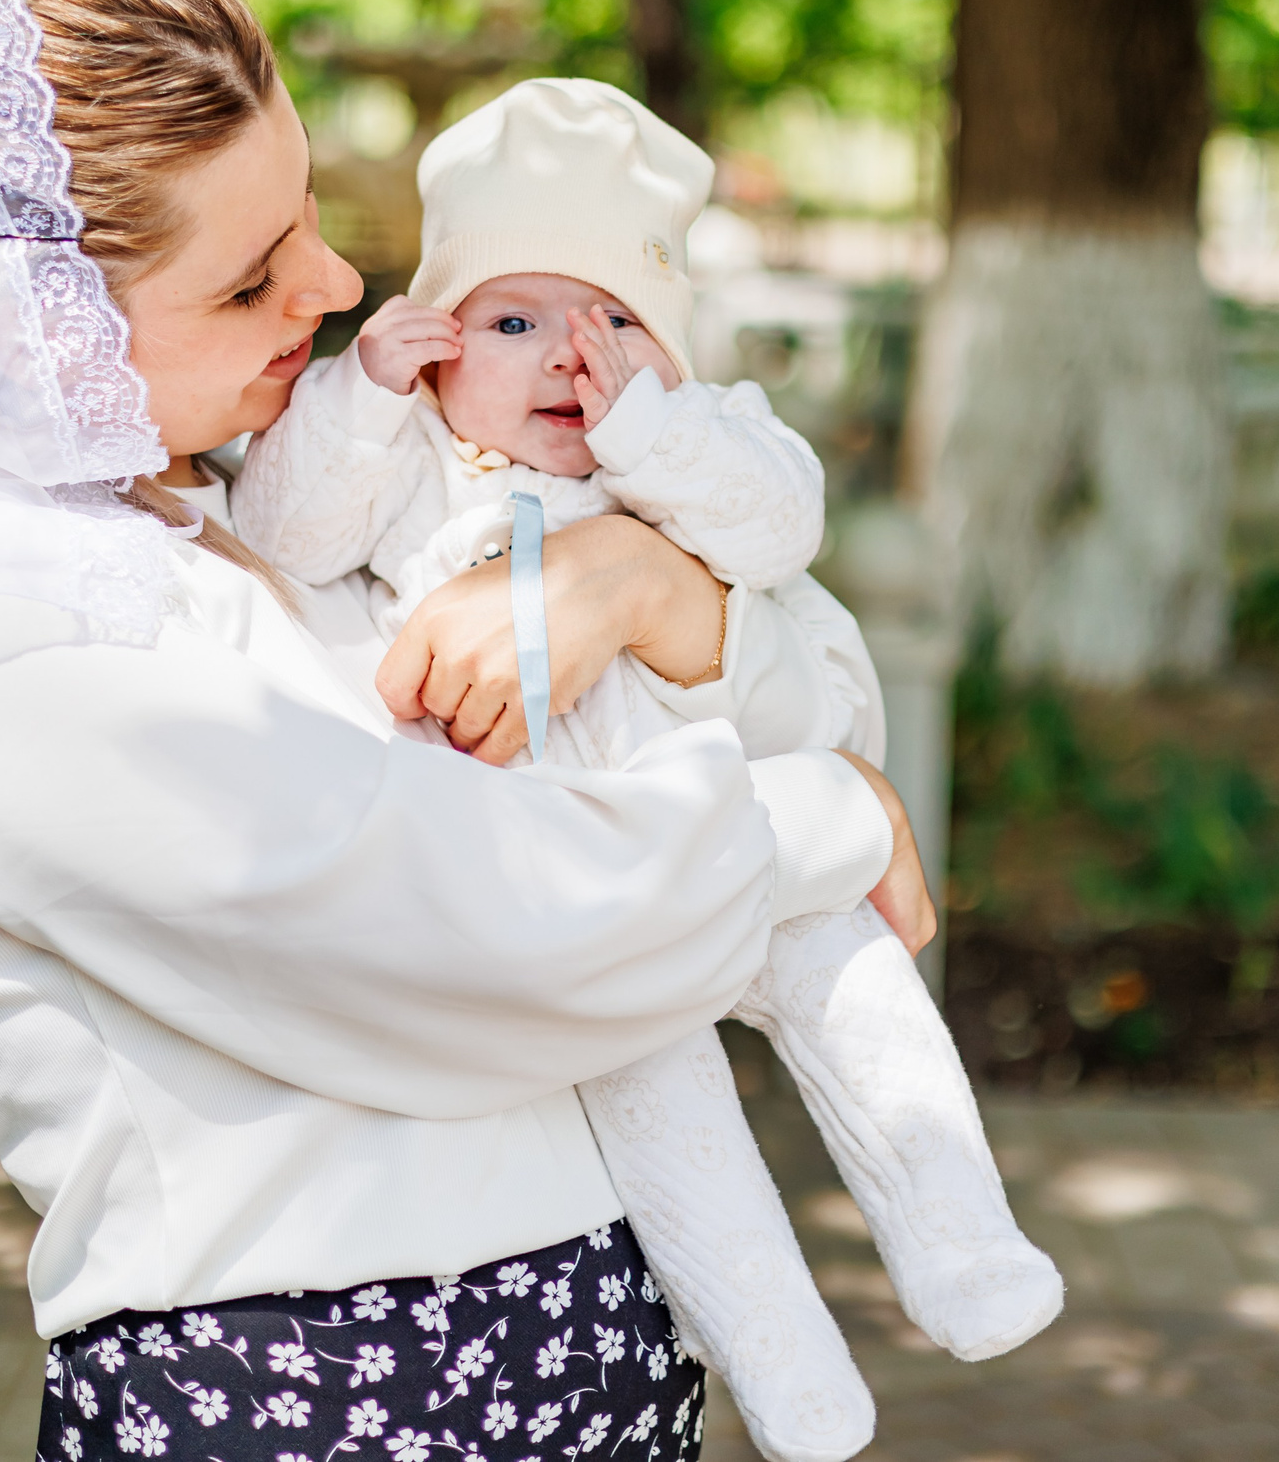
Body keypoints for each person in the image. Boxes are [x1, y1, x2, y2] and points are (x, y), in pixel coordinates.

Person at [0, 0, 933, 1462]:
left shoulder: (222, 494)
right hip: (315, 1407)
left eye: (304, 212)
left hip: (558, 1379)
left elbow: (818, 676)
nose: (340, 279)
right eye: (252, 280)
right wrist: (823, 819)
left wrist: (643, 589)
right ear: (26, 326)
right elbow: (473, 926)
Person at [236, 78, 1062, 1459]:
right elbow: (288, 534)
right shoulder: (414, 465)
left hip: (740, 830)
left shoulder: (692, 445)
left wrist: (650, 435)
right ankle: (787, 1369)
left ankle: (964, 1240)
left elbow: (781, 522)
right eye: (514, 321)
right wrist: (363, 398)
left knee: (862, 998)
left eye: (621, 321)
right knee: (668, 1119)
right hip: (584, 895)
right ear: (439, 356)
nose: (577, 356)